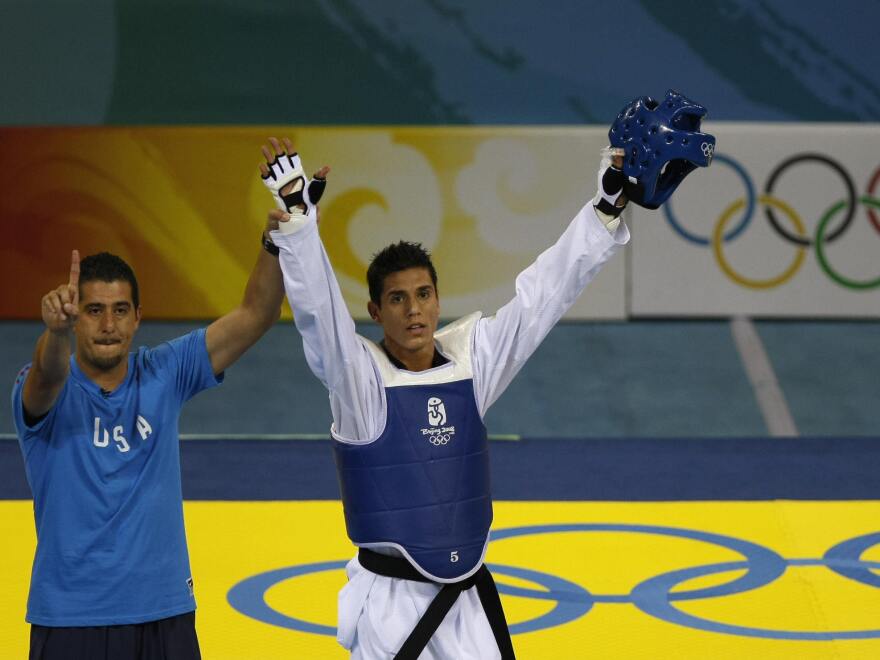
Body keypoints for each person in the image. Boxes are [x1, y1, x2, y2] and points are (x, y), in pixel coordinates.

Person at [263, 93, 712, 657]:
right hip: (391, 609)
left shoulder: (472, 364)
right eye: (397, 300)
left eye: (423, 294)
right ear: (376, 313)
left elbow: (540, 299)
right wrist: (302, 228)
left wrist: (602, 212)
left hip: (468, 602)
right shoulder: (361, 385)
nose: (414, 310)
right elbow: (320, 320)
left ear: (437, 298)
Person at [11, 197, 307, 659]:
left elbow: (256, 315)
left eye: (120, 310)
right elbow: (48, 374)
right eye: (92, 311)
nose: (108, 325)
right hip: (72, 621)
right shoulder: (44, 389)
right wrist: (57, 334)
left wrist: (274, 243)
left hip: (164, 615)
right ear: (75, 316)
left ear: (138, 317)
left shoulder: (164, 371)